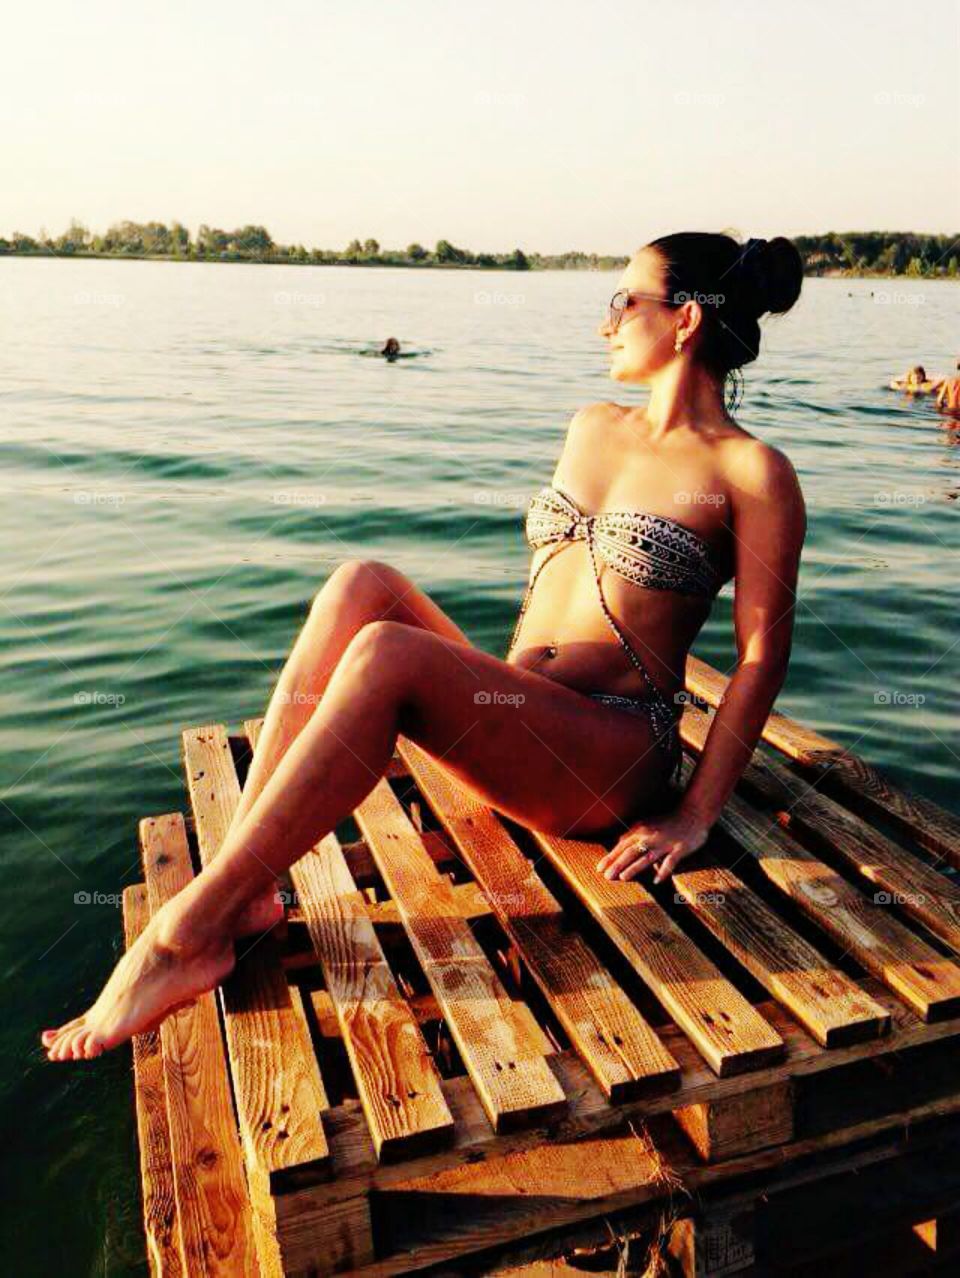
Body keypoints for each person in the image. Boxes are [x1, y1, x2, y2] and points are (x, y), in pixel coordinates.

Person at [41, 231, 807, 1060]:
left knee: (387, 655)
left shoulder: (753, 472)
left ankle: (182, 936)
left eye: (625, 301)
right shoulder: (592, 427)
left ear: (686, 320)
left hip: (612, 753)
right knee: (360, 583)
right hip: (525, 719)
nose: (607, 323)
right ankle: (247, 884)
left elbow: (761, 656)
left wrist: (696, 814)